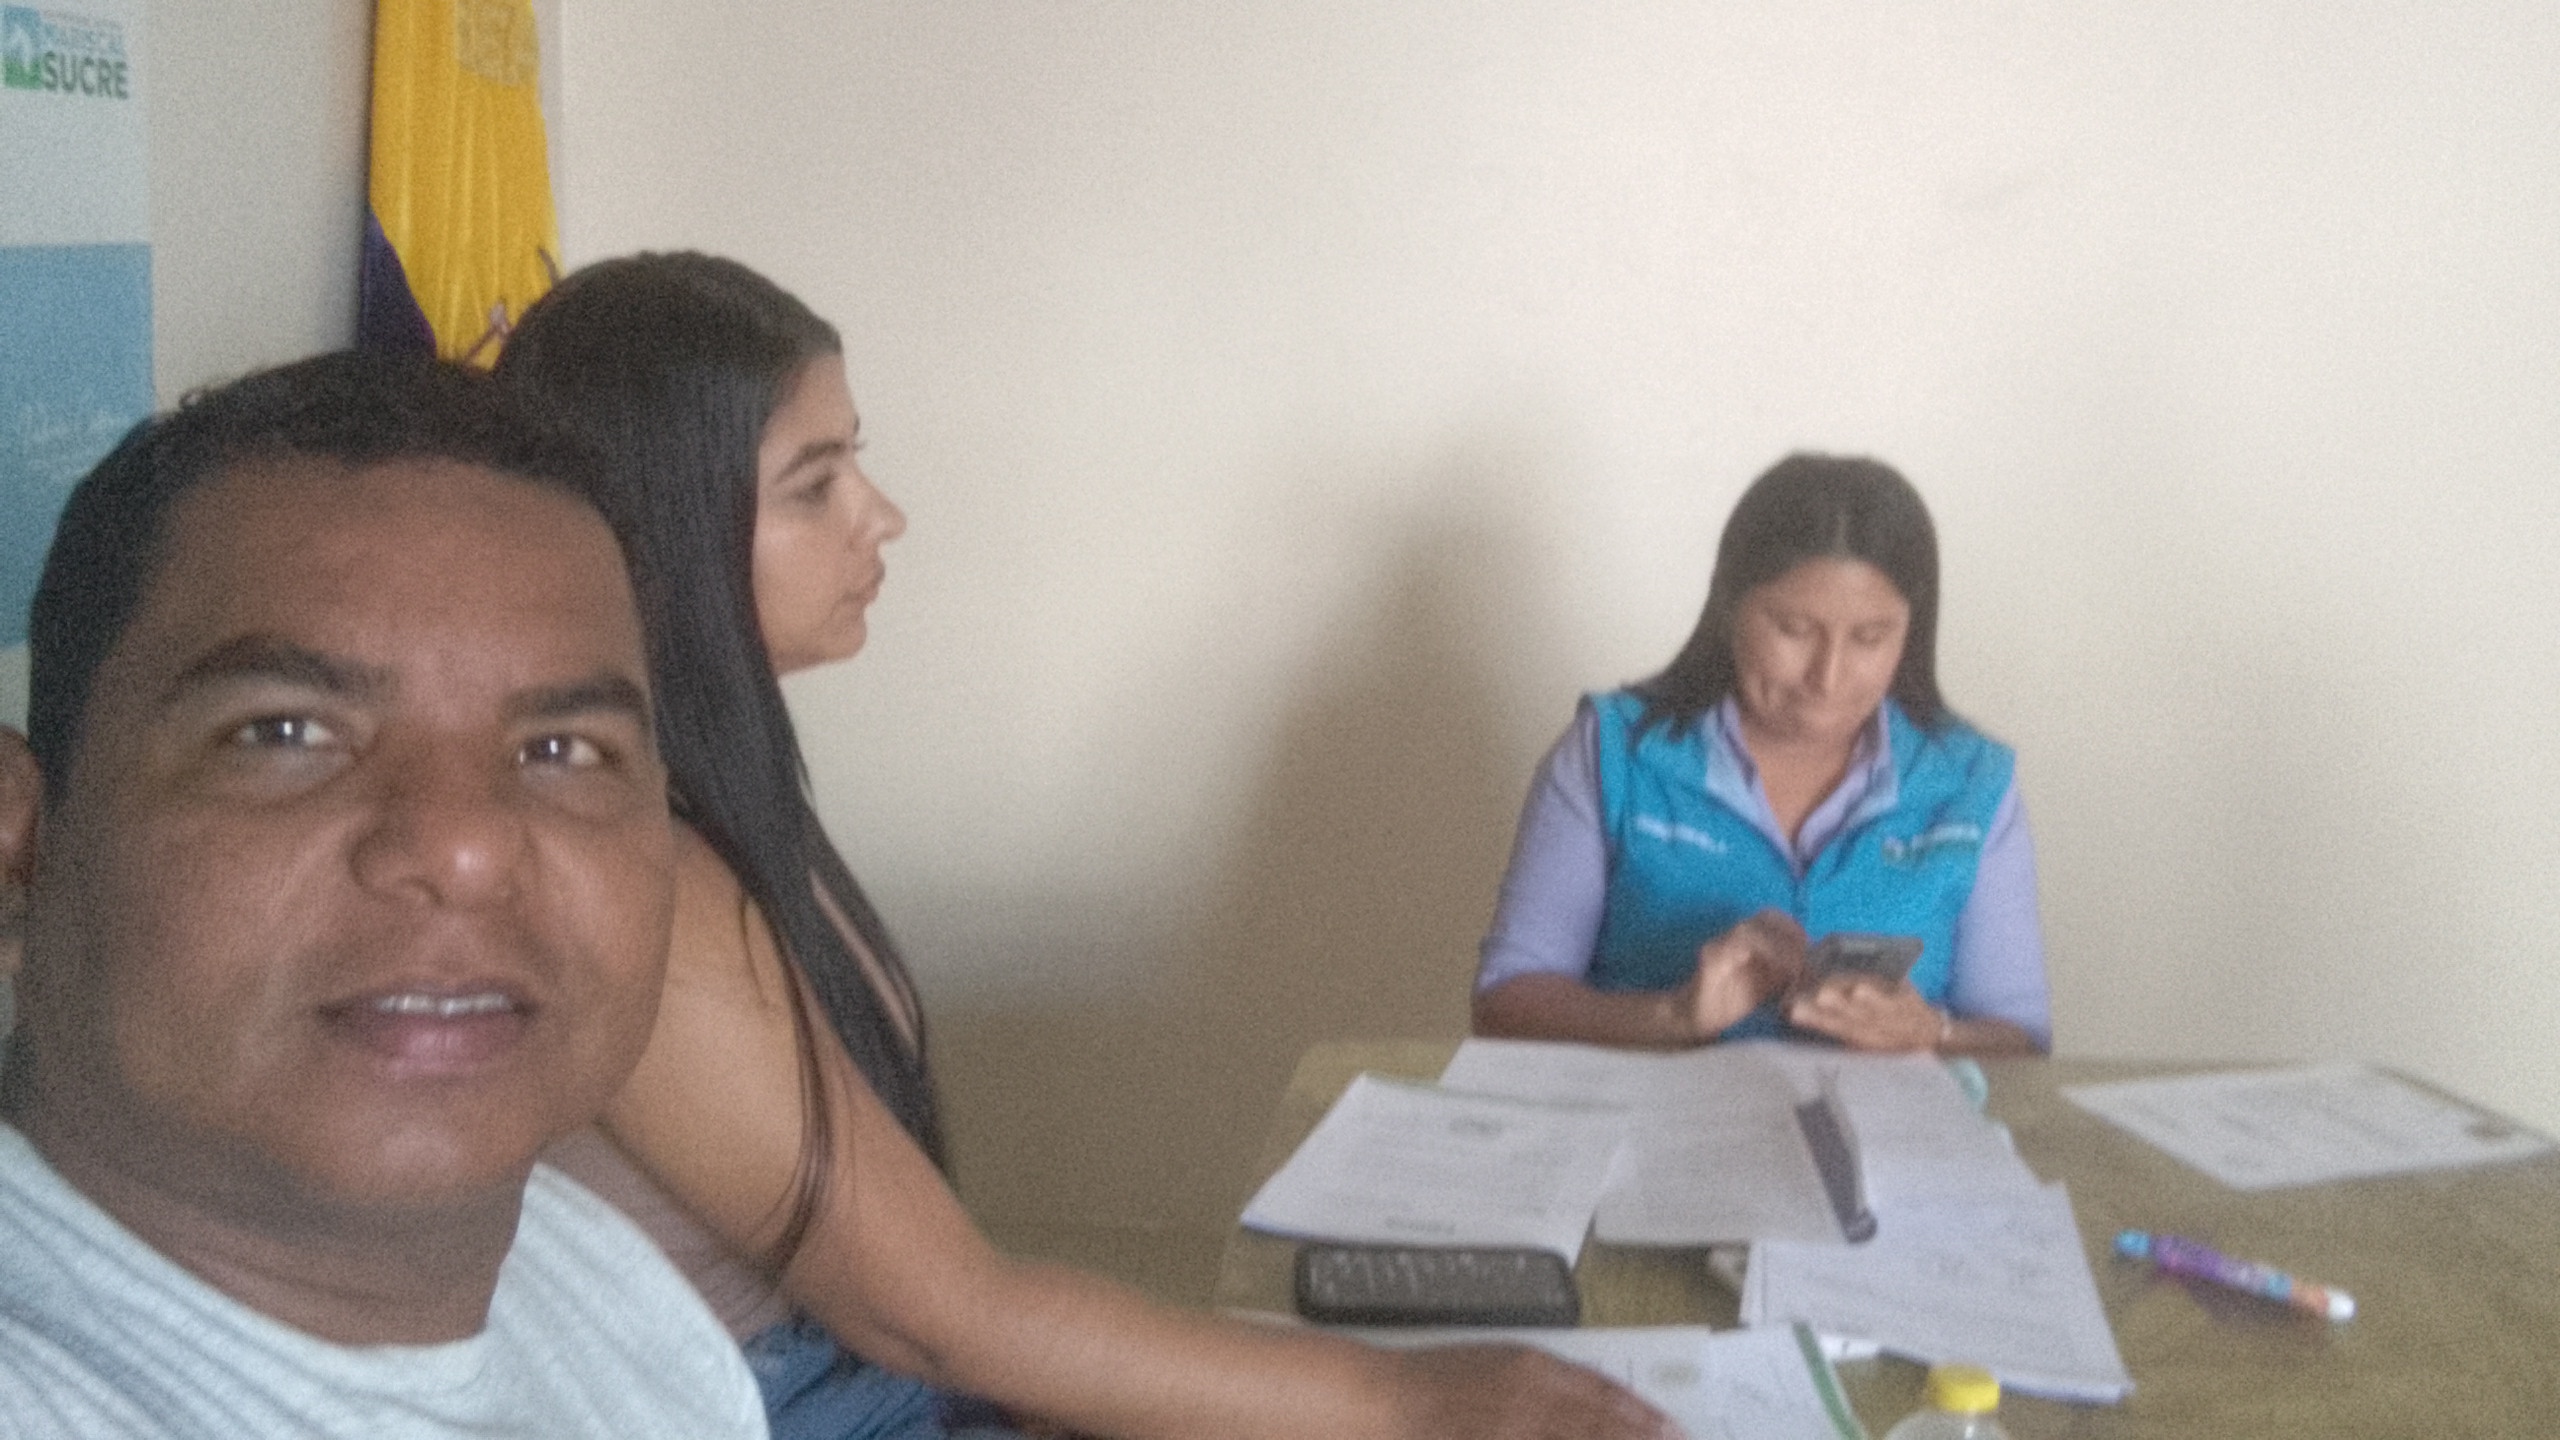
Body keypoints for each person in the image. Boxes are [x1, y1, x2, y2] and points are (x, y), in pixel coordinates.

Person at [495, 252, 1677, 1440]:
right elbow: (942, 1319)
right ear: (660, 528)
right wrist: (1408, 1400)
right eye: (816, 484)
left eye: (856, 461)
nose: (881, 515)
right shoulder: (645, 884)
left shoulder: (718, 799)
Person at [0, 353, 767, 1438]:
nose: (464, 849)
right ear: (22, 849)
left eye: (562, 748)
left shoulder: (593, 1279)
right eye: (284, 733)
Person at [1472, 453, 2050, 1056]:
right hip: (1651, 1112)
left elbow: (2022, 1042)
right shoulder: (1615, 752)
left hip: (1882, 1119)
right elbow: (1503, 1007)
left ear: (1912, 629)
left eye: (1869, 638)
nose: (1827, 678)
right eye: (1794, 630)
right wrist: (1671, 1016)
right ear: (1730, 606)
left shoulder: (1972, 782)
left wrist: (1931, 1035)